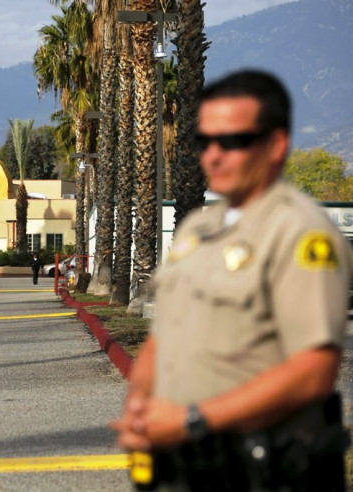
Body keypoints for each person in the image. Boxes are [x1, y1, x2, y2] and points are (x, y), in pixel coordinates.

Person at [112, 69, 352, 492]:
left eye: (234, 141)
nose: (214, 156)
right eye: (204, 141)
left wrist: (192, 419)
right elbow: (164, 336)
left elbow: (314, 369)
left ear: (276, 144)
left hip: (261, 469)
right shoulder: (197, 229)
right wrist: (140, 411)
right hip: (183, 465)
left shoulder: (301, 232)